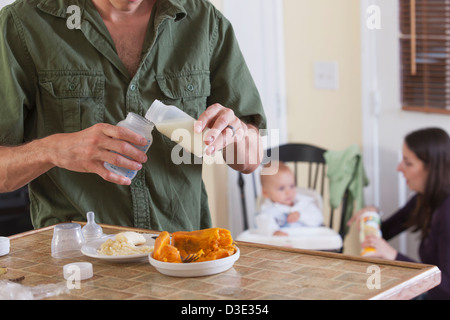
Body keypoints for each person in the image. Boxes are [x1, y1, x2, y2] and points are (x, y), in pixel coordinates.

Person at [0, 0, 266, 232]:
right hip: (78, 265)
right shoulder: (22, 24)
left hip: (182, 256)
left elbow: (256, 159)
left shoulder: (204, 21)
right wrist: (53, 149)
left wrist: (237, 135)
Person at [348, 127, 450, 300]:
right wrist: (372, 215)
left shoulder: (447, 212)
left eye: (408, 163)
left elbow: (447, 289)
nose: (399, 168)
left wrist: (393, 256)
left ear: (431, 169)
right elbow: (386, 232)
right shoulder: (424, 199)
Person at [255, 161, 324, 236]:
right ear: (265, 192)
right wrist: (274, 232)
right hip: (284, 244)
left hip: (308, 241)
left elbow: (318, 219)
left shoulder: (304, 203)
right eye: (281, 188)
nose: (288, 192)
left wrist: (300, 215)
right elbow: (263, 225)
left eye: (291, 186)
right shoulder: (267, 211)